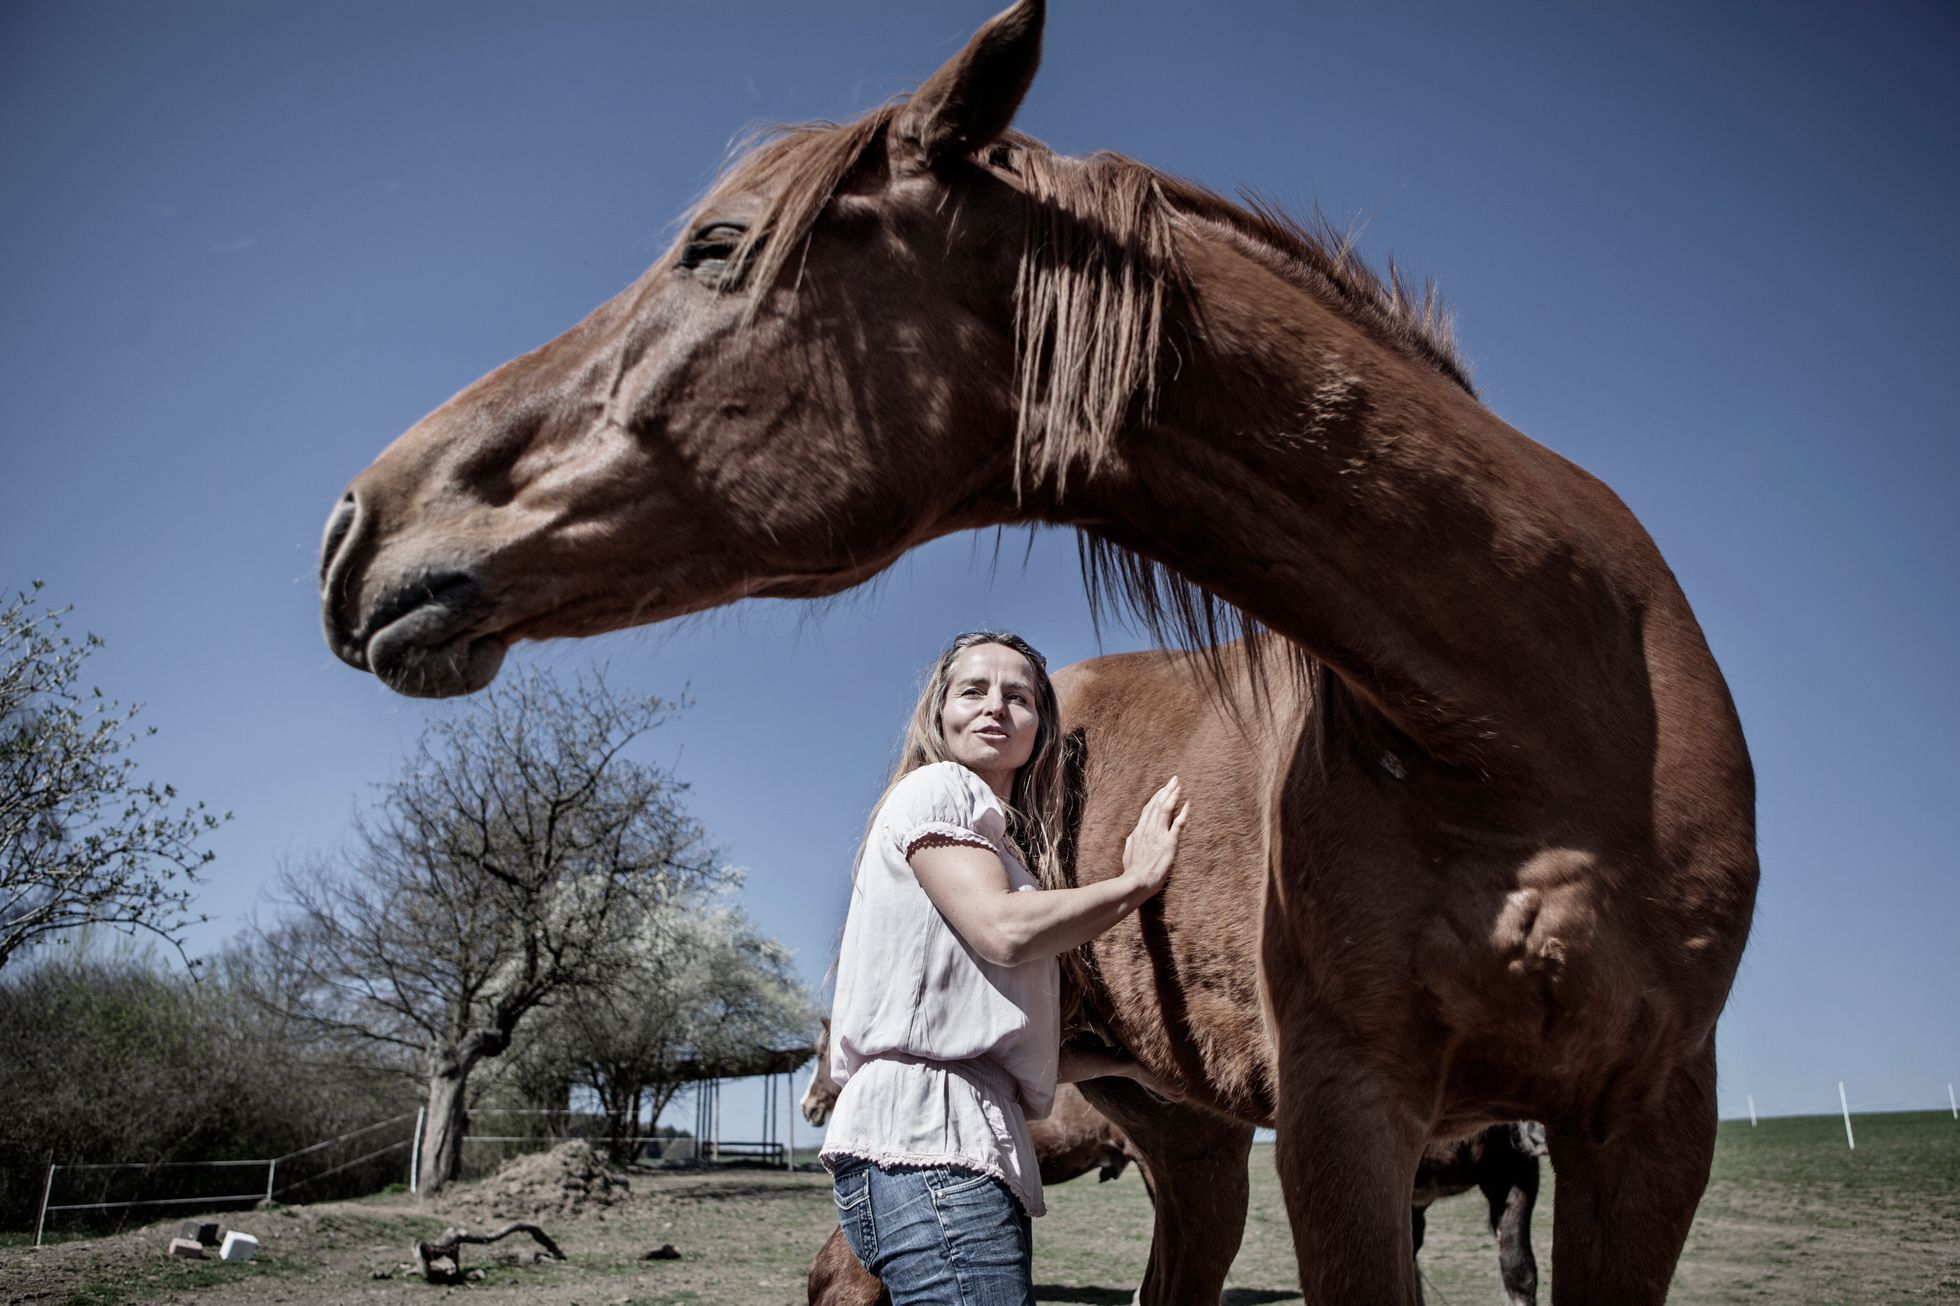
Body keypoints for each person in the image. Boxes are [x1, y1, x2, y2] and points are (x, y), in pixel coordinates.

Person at [821, 630, 1188, 1306]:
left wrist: (1123, 1066)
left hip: (955, 1150)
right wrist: (1135, 884)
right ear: (940, 713)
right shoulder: (938, 790)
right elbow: (1003, 931)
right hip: (932, 1150)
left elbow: (992, 1042)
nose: (995, 706)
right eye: (973, 690)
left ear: (1041, 728)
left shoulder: (995, 845)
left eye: (1018, 697)